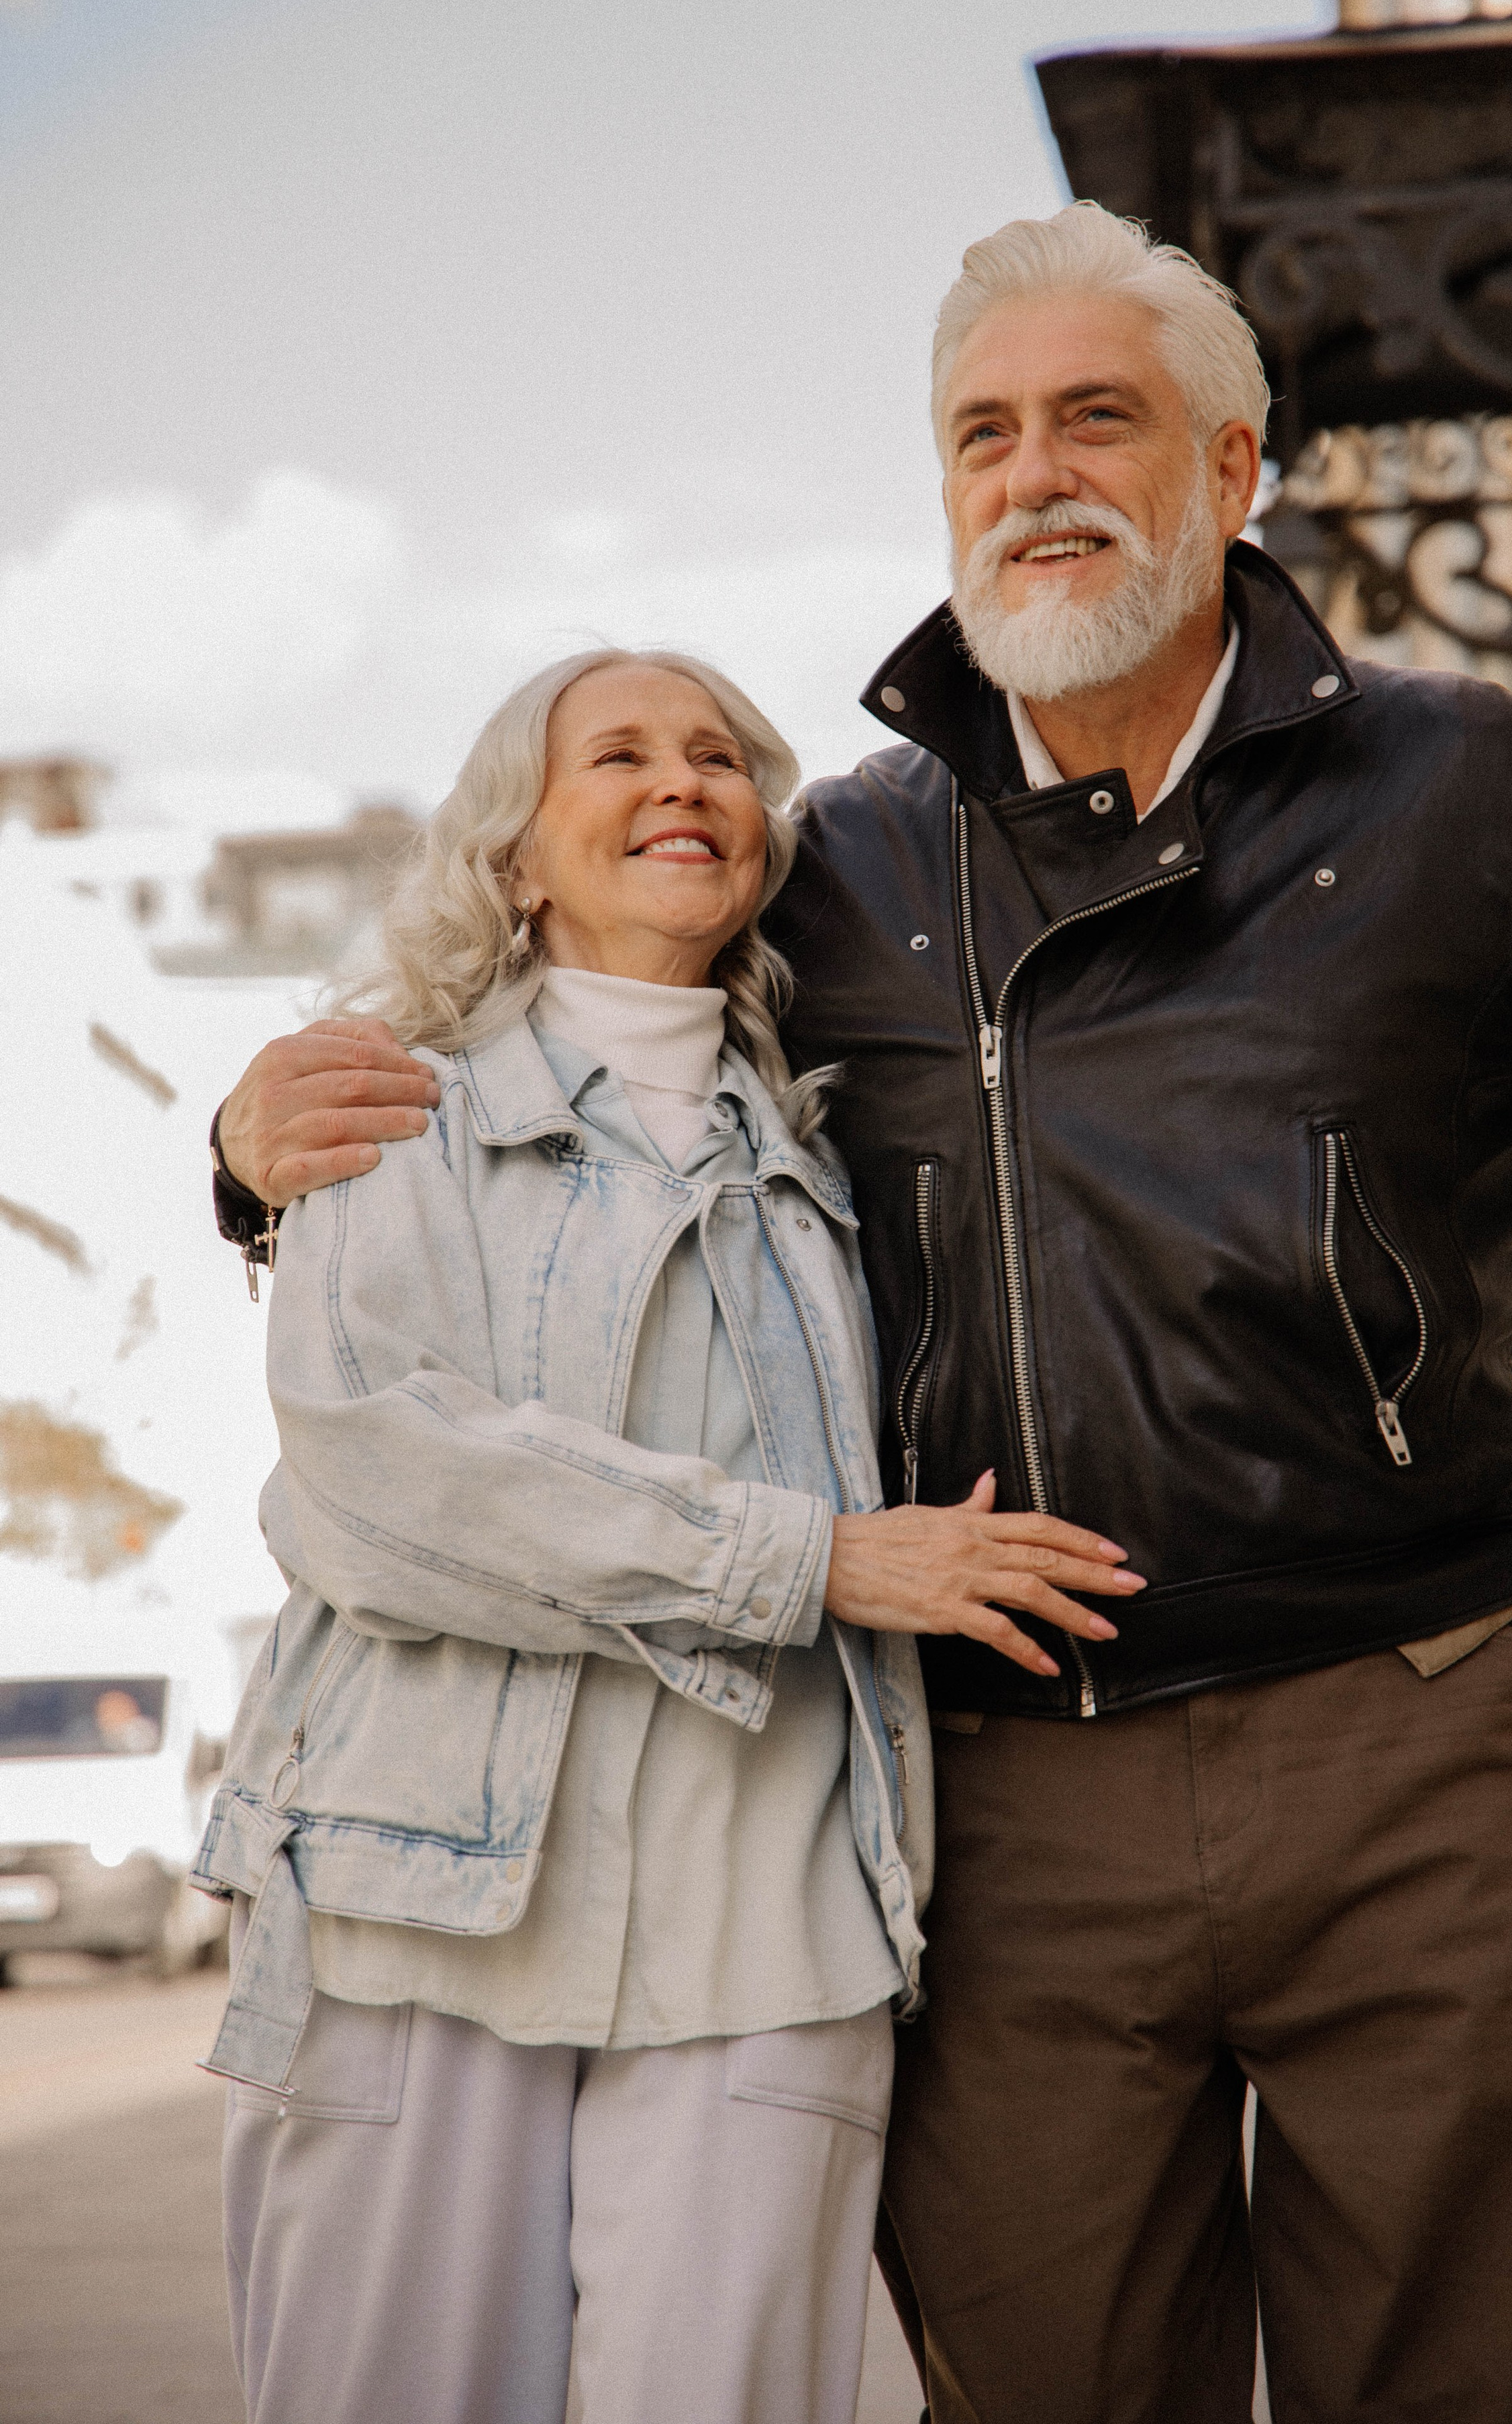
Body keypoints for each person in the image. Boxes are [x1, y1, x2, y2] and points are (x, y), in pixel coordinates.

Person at [211, 207, 1512, 2423]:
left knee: (1477, 2381)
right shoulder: (841, 864)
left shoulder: (1478, 791)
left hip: (1411, 1736)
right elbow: (560, 1055)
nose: (1035, 474)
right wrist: (251, 1151)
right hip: (995, 1789)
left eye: (1097, 416)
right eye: (980, 435)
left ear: (1238, 467)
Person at [193, 642, 1134, 2424]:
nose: (680, 782)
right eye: (614, 755)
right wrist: (818, 1561)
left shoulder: (844, 1155)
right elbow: (373, 1481)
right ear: (518, 855)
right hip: (421, 1899)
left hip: (771, 1906)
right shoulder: (384, 1107)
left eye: (718, 757)